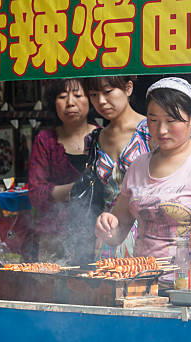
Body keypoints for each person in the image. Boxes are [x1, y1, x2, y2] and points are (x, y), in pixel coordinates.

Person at [95, 77, 191, 261]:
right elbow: (117, 232)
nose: (161, 130)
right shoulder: (138, 166)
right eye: (153, 120)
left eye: (171, 120)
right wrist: (106, 225)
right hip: (143, 281)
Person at [28, 78, 99, 264]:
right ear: (54, 102)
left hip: (98, 236)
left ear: (91, 99)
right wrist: (77, 189)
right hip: (54, 238)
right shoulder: (45, 140)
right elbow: (36, 193)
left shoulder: (103, 137)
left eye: (77, 95)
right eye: (62, 96)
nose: (70, 103)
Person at [82, 76, 151, 259]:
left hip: (147, 232)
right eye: (94, 95)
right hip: (108, 232)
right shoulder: (93, 139)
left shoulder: (151, 130)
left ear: (128, 88)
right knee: (106, 284)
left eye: (108, 92)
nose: (101, 101)